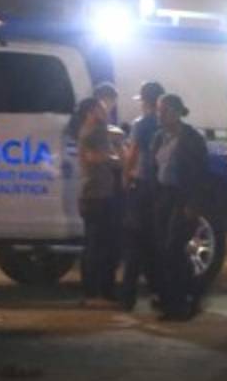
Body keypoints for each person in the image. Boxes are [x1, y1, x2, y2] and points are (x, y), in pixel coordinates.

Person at [151, 93, 211, 320]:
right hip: (164, 197)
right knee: (165, 251)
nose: (159, 115)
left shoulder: (192, 138)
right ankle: (182, 298)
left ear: (176, 112)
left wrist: (193, 202)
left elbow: (200, 173)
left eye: (164, 110)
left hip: (182, 197)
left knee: (173, 248)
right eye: (158, 110)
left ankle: (181, 301)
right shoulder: (159, 137)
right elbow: (154, 167)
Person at [119, 81, 164, 311]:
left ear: (146, 101)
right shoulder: (166, 124)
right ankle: (158, 292)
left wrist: (125, 178)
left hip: (142, 187)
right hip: (162, 187)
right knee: (155, 243)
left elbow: (133, 154)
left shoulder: (141, 124)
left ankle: (128, 296)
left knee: (135, 243)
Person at [75, 97, 122, 302]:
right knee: (100, 245)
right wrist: (116, 159)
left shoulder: (89, 130)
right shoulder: (94, 132)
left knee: (95, 244)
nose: (106, 112)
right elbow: (93, 157)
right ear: (91, 111)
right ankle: (98, 289)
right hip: (97, 194)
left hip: (93, 193)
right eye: (101, 109)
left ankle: (94, 289)